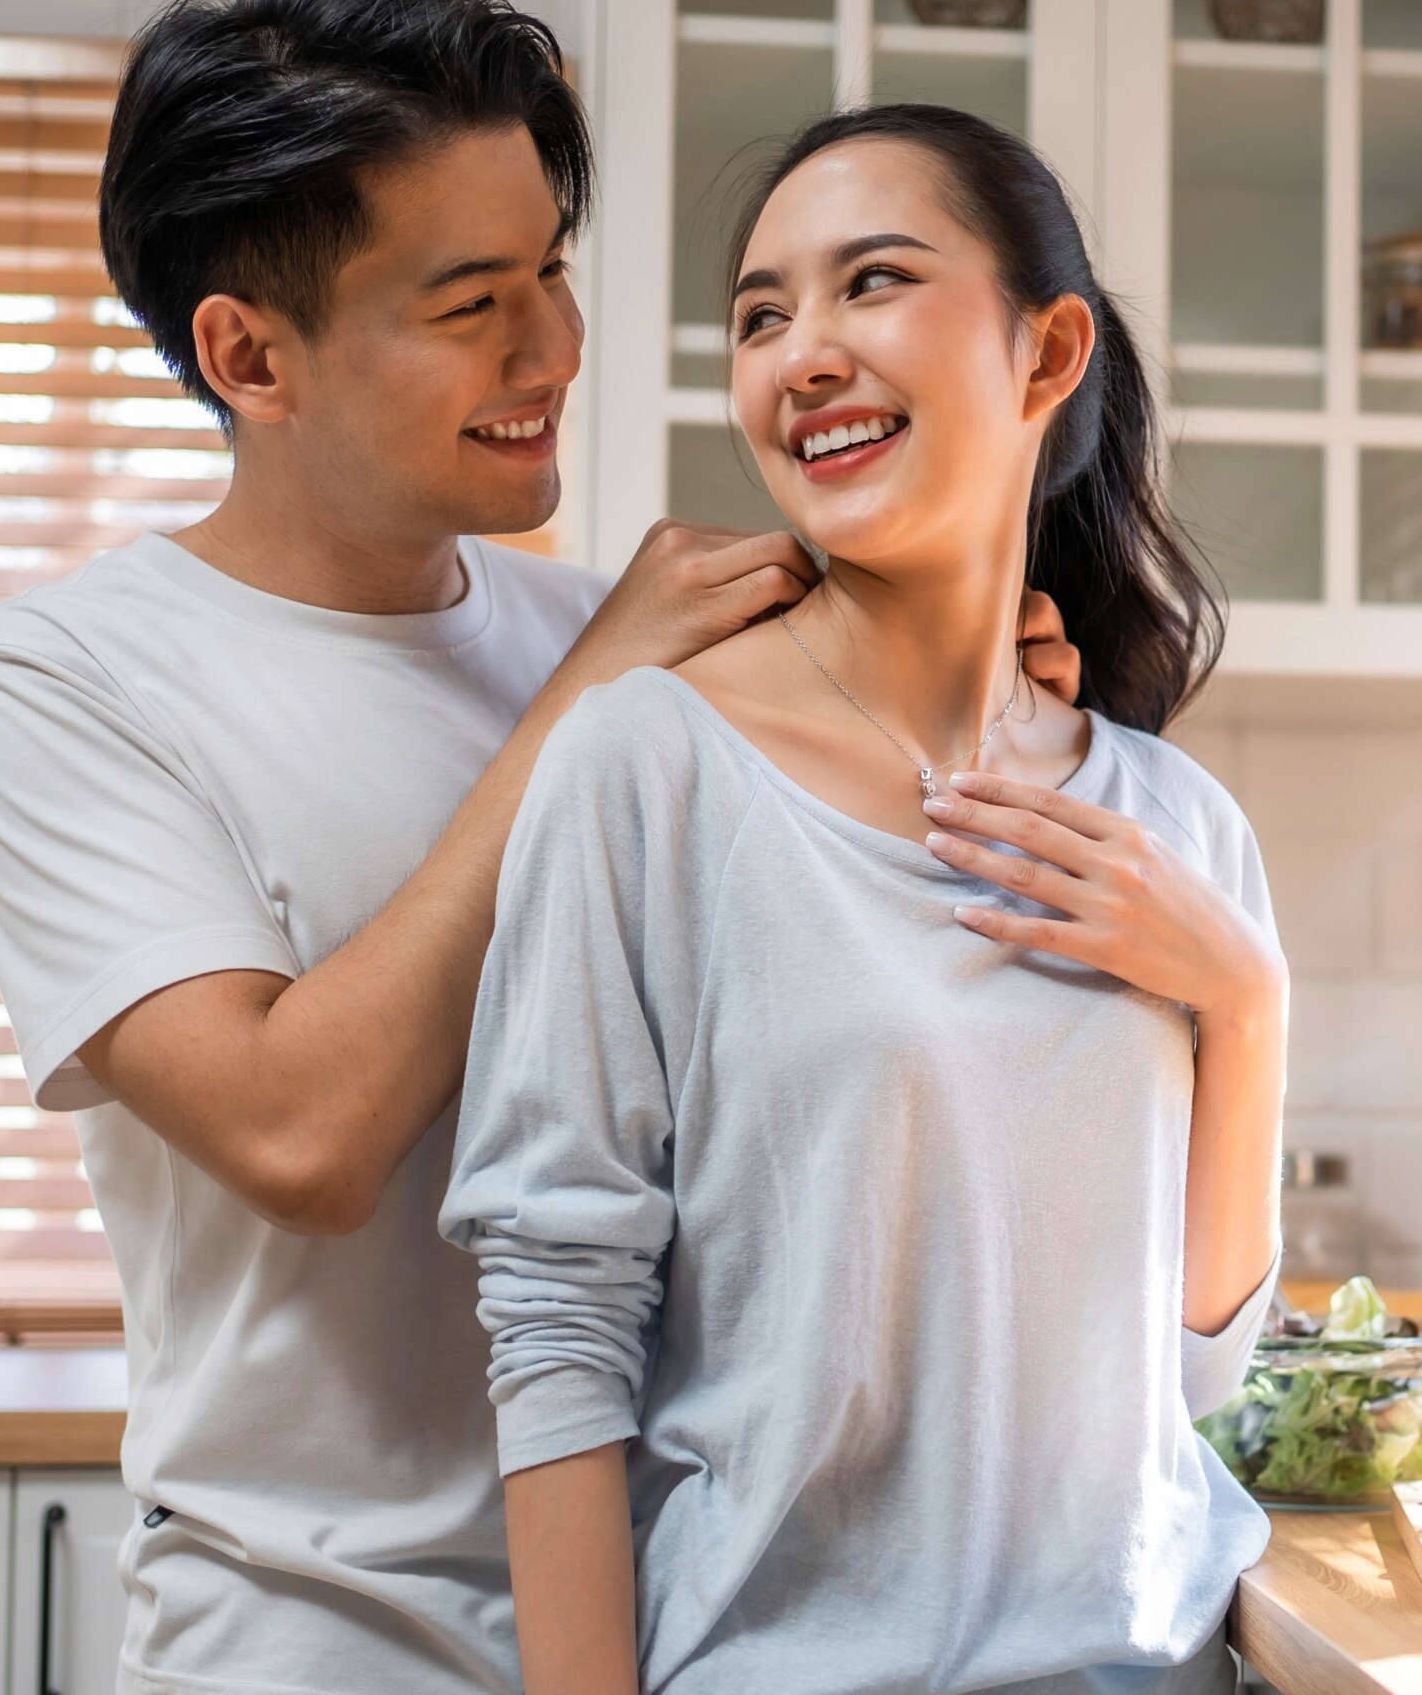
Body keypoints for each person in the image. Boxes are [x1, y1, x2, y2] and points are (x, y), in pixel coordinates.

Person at [0, 0, 1077, 1695]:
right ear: (252, 354)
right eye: (472, 299)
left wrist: (968, 710)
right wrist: (590, 705)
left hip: (671, 1621)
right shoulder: (72, 677)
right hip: (312, 1636)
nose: (550, 345)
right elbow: (296, 1134)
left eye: (551, 265)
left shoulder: (630, 646)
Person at [440, 104, 1288, 1695]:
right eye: (761, 316)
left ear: (1047, 357)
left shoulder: (1177, 826)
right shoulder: (646, 768)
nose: (801, 354)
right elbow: (557, 1316)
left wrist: (1248, 1009)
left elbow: (1193, 1381)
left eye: (870, 283)